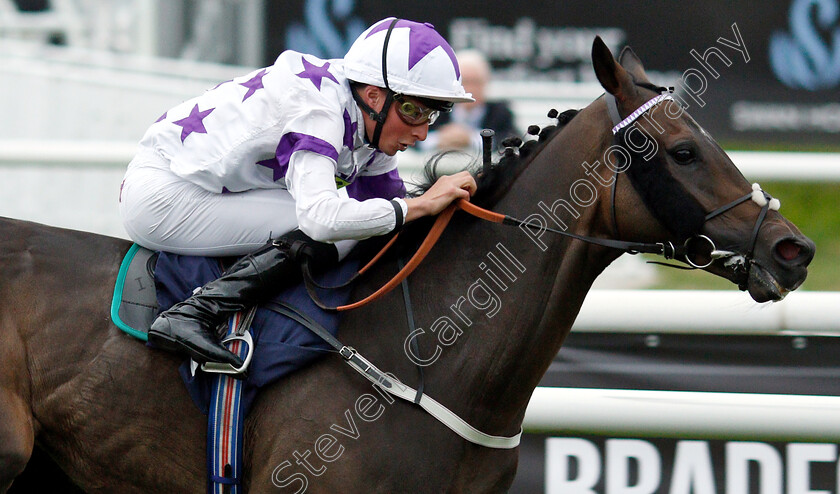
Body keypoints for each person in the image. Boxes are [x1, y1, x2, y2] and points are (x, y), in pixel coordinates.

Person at [118, 18, 478, 368]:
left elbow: (391, 216)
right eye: (413, 110)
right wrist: (421, 203)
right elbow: (321, 220)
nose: (421, 133)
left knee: (362, 221)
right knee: (336, 231)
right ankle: (194, 312)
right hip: (164, 194)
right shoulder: (320, 110)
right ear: (374, 95)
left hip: (199, 186)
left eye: (432, 115)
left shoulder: (368, 116)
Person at [419, 49, 518, 152]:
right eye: (464, 82)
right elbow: (416, 140)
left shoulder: (500, 113)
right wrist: (440, 138)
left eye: (475, 82)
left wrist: (471, 139)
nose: (470, 88)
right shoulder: (437, 109)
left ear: (486, 83)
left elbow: (510, 140)